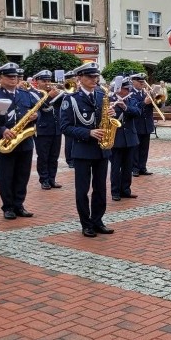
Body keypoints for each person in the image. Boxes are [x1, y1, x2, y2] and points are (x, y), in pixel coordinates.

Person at [59, 62, 116, 237]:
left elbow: (106, 118)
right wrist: (88, 132)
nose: (94, 79)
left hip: (102, 149)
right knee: (82, 189)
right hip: (83, 149)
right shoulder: (71, 98)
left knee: (100, 188)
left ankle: (98, 220)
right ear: (80, 78)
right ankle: (86, 224)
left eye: (96, 76)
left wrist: (112, 115)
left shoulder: (101, 95)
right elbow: (65, 127)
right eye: (90, 77)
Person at [0, 63, 38, 220]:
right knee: (6, 176)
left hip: (24, 142)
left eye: (16, 77)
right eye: (10, 77)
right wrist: (2, 130)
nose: (14, 79)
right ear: (1, 78)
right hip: (5, 141)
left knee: (22, 175)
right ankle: (8, 207)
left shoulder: (25, 94)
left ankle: (19, 205)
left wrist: (35, 117)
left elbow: (34, 111)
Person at [31, 70, 64, 190]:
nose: (47, 83)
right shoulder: (34, 94)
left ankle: (52, 179)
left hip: (56, 128)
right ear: (37, 82)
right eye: (44, 81)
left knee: (54, 156)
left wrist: (62, 92)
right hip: (42, 129)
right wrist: (49, 96)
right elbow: (39, 106)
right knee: (43, 156)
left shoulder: (55, 92)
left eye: (49, 80)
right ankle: (44, 179)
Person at [109, 77, 140, 201]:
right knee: (116, 167)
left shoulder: (131, 99)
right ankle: (115, 191)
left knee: (128, 167)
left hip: (130, 138)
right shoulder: (110, 99)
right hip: (116, 138)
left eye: (129, 89)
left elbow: (138, 112)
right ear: (119, 89)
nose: (128, 91)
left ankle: (126, 190)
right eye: (126, 89)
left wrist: (125, 107)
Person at [130, 74, 155, 178]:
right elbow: (134, 107)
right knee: (136, 148)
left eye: (143, 82)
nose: (142, 83)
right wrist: (145, 102)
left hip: (146, 124)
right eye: (139, 82)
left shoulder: (146, 92)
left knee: (145, 148)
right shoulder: (130, 94)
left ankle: (142, 167)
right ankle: (135, 168)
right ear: (133, 82)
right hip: (137, 124)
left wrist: (156, 97)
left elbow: (158, 104)